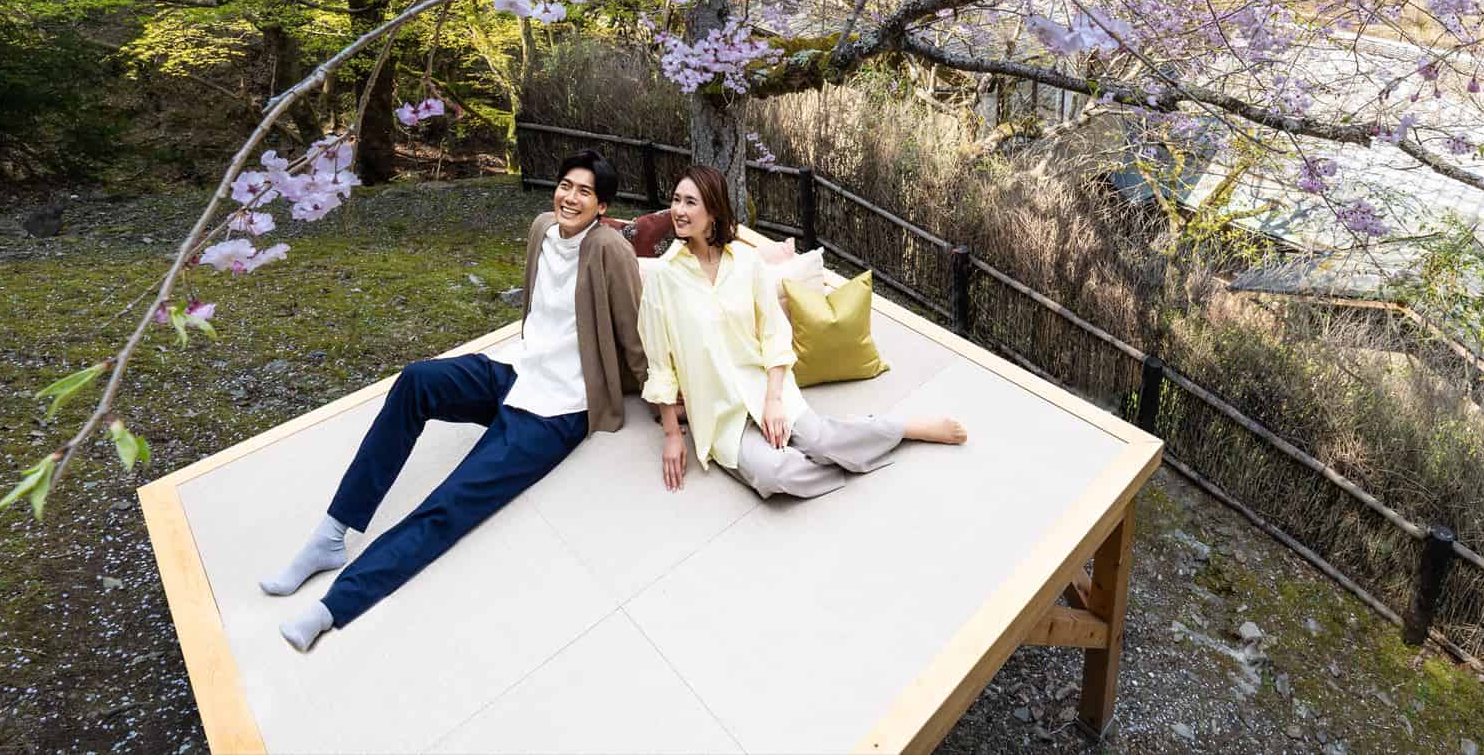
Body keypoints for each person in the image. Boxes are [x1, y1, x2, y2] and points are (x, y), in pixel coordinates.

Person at [261, 152, 647, 650]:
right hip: (516, 370)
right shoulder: (541, 230)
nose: (569, 198)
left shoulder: (610, 250)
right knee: (417, 381)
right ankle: (331, 535)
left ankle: (334, 605)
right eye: (564, 185)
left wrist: (667, 409)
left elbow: (634, 335)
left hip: (558, 406)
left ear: (601, 206)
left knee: (452, 500)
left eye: (584, 192)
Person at [638, 164, 967, 499]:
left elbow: (773, 334)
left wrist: (774, 400)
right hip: (720, 415)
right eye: (676, 200)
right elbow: (660, 366)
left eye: (690, 202)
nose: (678, 210)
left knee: (822, 441)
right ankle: (859, 446)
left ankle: (902, 428)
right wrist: (673, 436)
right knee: (774, 475)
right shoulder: (663, 280)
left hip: (765, 386)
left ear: (713, 211)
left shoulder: (746, 263)